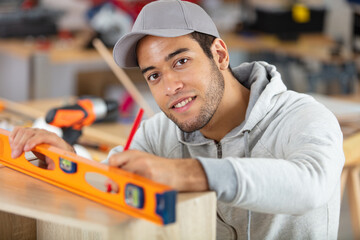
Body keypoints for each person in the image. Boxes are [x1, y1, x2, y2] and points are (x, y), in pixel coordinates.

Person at [9, 0, 345, 239]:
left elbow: (311, 184)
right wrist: (70, 161)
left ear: (220, 54)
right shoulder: (158, 133)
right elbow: (111, 180)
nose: (170, 86)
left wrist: (186, 173)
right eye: (153, 75)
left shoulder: (303, 117)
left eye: (181, 61)